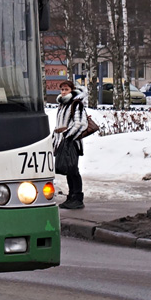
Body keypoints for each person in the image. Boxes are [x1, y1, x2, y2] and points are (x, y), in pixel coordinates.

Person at [54, 79, 89, 210]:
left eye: (66, 89)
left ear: (72, 90)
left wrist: (67, 135)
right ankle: (71, 196)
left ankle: (78, 198)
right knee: (69, 170)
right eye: (62, 89)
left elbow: (80, 123)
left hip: (72, 142)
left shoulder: (76, 104)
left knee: (73, 170)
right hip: (63, 141)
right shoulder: (63, 104)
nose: (63, 92)